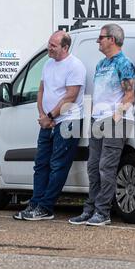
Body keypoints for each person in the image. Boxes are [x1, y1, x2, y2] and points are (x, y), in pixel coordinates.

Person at [13, 31, 86, 221]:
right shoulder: (47, 64)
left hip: (68, 121)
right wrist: (42, 114)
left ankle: (46, 207)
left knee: (58, 165)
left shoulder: (75, 66)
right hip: (47, 121)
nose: (49, 48)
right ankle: (36, 202)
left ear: (65, 47)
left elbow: (71, 96)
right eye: (49, 43)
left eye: (53, 45)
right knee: (41, 164)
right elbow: (42, 90)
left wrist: (52, 115)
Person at [69, 24, 135, 226]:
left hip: (116, 120)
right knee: (93, 167)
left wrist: (115, 116)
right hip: (98, 119)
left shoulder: (124, 64)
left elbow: (129, 95)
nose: (98, 41)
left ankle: (103, 212)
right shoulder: (100, 64)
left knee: (107, 167)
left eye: (101, 37)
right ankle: (90, 210)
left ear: (112, 40)